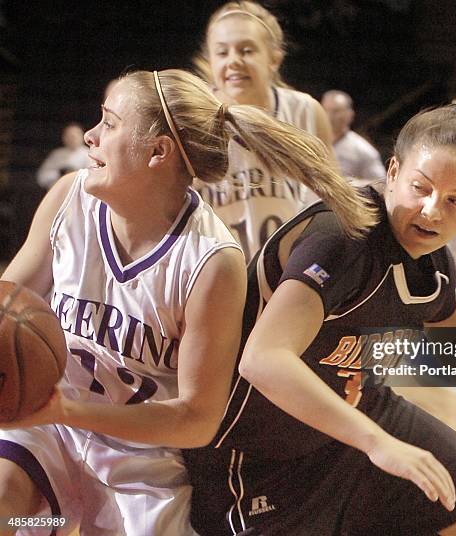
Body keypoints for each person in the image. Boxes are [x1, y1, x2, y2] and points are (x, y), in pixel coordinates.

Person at [185, 101, 456, 536]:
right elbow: (263, 359)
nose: (432, 210)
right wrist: (376, 442)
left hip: (361, 420)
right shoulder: (343, 237)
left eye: (455, 201)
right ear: (392, 172)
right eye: (421, 188)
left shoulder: (434, 265)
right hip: (260, 452)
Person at [0, 68, 367, 535]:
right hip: (46, 424)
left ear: (158, 151)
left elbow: (196, 420)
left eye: (109, 124)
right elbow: (7, 307)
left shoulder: (211, 262)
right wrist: (50, 409)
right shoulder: (68, 200)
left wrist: (69, 410)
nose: (90, 135)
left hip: (139, 454)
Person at [191, 1, 336, 261]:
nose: (234, 61)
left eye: (246, 50)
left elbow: (332, 200)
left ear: (274, 59)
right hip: (216, 273)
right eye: (222, 53)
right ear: (210, 60)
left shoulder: (306, 111)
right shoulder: (193, 118)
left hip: (290, 272)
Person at [321, 89, 387, 186]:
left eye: (336, 111)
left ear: (349, 114)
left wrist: (353, 184)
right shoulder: (313, 140)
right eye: (325, 110)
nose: (329, 116)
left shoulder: (363, 149)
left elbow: (382, 184)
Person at [36, 123, 90, 190]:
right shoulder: (57, 154)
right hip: (59, 189)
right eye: (69, 136)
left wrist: (74, 174)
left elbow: (91, 176)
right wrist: (60, 175)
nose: (72, 139)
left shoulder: (89, 154)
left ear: (82, 136)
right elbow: (43, 176)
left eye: (74, 136)